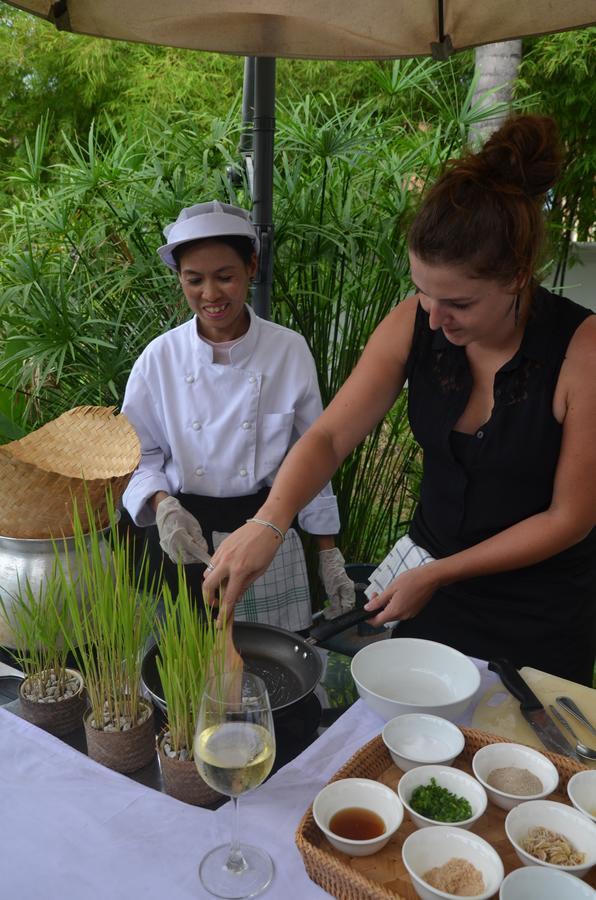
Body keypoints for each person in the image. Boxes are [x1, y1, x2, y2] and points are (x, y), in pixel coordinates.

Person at [204, 117, 596, 684]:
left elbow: (571, 518)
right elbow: (331, 436)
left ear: (517, 277)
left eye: (457, 303)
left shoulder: (580, 352)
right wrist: (269, 521)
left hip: (541, 612)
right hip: (428, 592)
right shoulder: (414, 322)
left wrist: (440, 574)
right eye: (423, 292)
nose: (435, 319)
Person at [121, 200, 355, 631]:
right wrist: (162, 504)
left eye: (224, 277)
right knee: (185, 671)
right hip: (184, 537)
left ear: (251, 266)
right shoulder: (159, 358)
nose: (210, 294)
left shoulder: (288, 350)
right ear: (180, 279)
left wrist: (327, 551)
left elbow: (312, 456)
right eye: (194, 280)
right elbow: (137, 455)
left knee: (273, 663)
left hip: (265, 530)